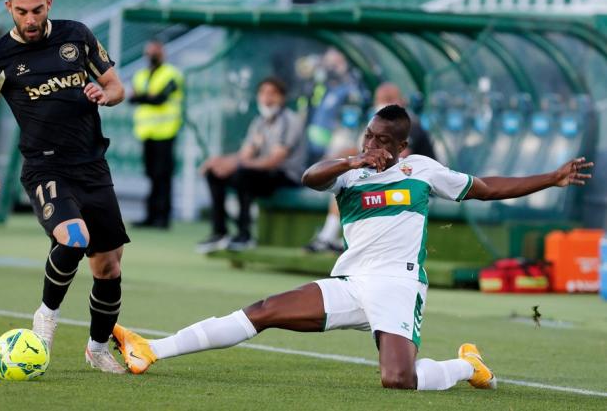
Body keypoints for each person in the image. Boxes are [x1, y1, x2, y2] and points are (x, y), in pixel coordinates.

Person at [111, 105, 593, 390]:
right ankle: (152, 348)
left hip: (399, 285)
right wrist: (353, 157)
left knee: (397, 380)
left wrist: (551, 177)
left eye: (384, 140)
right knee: (264, 309)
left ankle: (465, 366)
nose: (374, 144)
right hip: (350, 281)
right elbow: (307, 177)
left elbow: (487, 187)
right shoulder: (350, 170)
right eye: (369, 135)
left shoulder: (422, 170)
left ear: (402, 147)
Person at [0, 0, 129, 374]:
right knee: (74, 237)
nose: (31, 19)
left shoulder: (78, 36)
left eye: (37, 9)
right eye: (22, 11)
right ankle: (46, 316)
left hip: (92, 165)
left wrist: (105, 95)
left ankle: (97, 348)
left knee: (108, 268)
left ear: (49, 3)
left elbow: (117, 86)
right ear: (9, 8)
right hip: (44, 167)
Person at [305, 82, 436, 253]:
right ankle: (330, 237)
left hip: (415, 183)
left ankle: (334, 238)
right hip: (391, 179)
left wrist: (360, 159)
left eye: (388, 99)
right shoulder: (376, 124)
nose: (383, 104)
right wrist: (339, 160)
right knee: (349, 183)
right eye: (379, 99)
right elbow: (362, 152)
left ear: (401, 101)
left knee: (359, 186)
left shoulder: (409, 125)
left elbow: (397, 158)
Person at [196, 76, 306, 253]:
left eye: (272, 94)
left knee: (243, 174)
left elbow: (274, 160)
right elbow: (244, 154)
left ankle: (244, 235)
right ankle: (219, 232)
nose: (267, 98)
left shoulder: (290, 120)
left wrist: (239, 164)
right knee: (214, 173)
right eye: (262, 93)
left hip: (286, 176)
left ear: (282, 98)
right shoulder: (259, 122)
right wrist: (218, 162)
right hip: (258, 174)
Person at [129, 41, 184, 229]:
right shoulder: (141, 75)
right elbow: (132, 98)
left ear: (163, 52)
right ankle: (151, 216)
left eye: (155, 51)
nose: (152, 54)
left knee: (163, 176)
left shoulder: (172, 74)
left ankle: (163, 217)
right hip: (147, 133)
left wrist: (142, 98)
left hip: (166, 133)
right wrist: (146, 98)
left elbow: (160, 99)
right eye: (149, 51)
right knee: (151, 175)